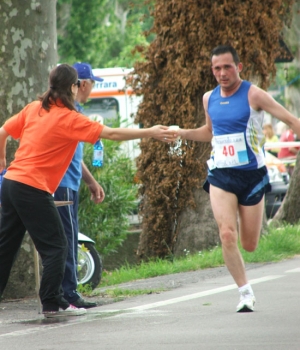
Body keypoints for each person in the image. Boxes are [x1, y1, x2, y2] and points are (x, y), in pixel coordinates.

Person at [0, 63, 177, 318]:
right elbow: (112, 133)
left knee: (6, 248)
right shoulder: (69, 117)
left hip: (11, 183)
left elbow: (3, 131)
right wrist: (150, 131)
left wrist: (2, 163)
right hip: (32, 187)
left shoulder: (34, 108)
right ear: (73, 87)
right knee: (57, 247)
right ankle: (51, 303)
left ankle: (51, 299)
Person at [177, 44, 300, 313]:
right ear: (212, 70)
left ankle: (246, 278)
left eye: (227, 67)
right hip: (221, 174)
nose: (222, 73)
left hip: (252, 176)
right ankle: (245, 292)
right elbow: (210, 132)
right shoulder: (209, 98)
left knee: (250, 244)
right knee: (227, 234)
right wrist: (182, 133)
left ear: (239, 67)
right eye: (217, 68)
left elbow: (291, 120)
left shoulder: (254, 94)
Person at [54, 62, 105, 309]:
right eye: (92, 83)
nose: (92, 88)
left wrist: (91, 181)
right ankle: (69, 295)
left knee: (66, 238)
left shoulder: (76, 112)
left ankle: (63, 294)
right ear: (81, 84)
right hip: (62, 184)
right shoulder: (70, 114)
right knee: (67, 238)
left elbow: (75, 155)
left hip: (70, 183)